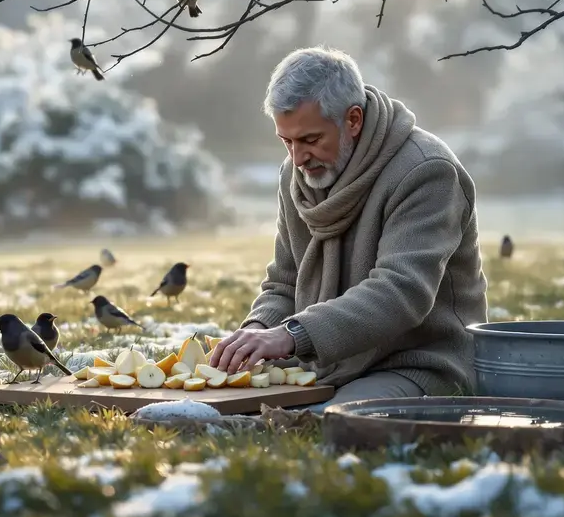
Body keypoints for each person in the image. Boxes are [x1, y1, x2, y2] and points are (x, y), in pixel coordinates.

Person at [209, 46, 488, 411]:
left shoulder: (426, 170)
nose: (297, 158)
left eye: (310, 139)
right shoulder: (297, 173)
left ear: (353, 120)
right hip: (322, 361)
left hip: (417, 365)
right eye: (286, 141)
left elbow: (400, 292)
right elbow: (285, 283)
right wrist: (260, 329)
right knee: (224, 409)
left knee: (327, 423)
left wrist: (293, 335)